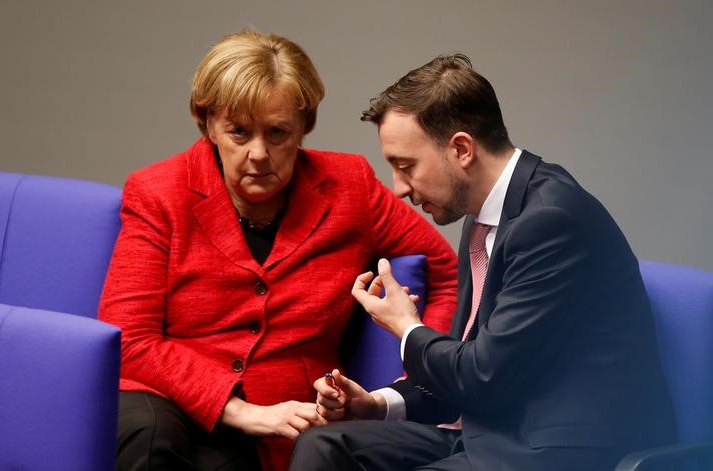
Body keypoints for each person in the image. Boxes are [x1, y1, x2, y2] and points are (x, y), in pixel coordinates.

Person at [289, 54, 677, 470]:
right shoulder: (483, 219)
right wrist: (376, 403)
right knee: (324, 446)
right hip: (489, 428)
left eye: (406, 166)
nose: (398, 188)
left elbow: (482, 377)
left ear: (461, 149)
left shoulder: (550, 220)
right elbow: (466, 367)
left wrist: (406, 327)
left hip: (553, 450)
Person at [98, 30, 458, 471]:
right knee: (150, 440)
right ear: (207, 121)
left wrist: (416, 378)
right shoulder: (158, 192)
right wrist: (239, 410)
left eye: (278, 133)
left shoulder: (351, 187)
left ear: (304, 125)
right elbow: (129, 338)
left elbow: (447, 270)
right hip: (165, 398)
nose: (259, 154)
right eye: (238, 132)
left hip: (288, 414)